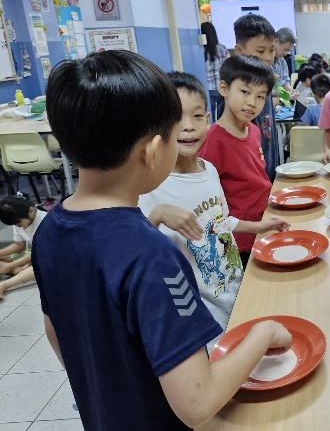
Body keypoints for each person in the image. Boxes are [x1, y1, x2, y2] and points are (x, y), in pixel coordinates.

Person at [33, 50, 291, 430]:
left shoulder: (48, 231)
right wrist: (264, 332)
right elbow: (197, 401)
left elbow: (55, 329)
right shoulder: (151, 253)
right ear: (154, 151)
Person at [139, 72, 289, 349]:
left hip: (232, 285)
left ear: (207, 120)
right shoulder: (151, 185)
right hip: (199, 306)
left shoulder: (209, 171)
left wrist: (257, 227)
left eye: (196, 116)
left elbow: (219, 220)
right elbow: (135, 249)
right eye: (176, 117)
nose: (188, 127)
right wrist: (158, 214)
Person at [199, 54, 277, 270]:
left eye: (261, 96)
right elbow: (208, 204)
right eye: (245, 92)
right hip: (237, 240)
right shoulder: (213, 141)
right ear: (224, 88)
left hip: (262, 225)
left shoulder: (253, 130)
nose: (252, 102)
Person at [232, 14, 280, 182]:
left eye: (271, 50)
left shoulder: (264, 85)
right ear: (239, 51)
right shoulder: (233, 95)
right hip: (250, 184)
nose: (268, 57)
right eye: (261, 51)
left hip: (269, 177)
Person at [0, 194, 46, 301]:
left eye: (18, 223)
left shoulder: (46, 221)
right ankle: (19, 270)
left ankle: (7, 282)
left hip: (43, 255)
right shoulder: (18, 220)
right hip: (29, 251)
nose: (17, 226)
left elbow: (37, 253)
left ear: (31, 210)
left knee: (41, 267)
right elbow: (18, 245)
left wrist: (9, 266)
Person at [201, 22, 229, 121]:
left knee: (209, 116)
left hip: (207, 89)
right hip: (220, 88)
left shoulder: (200, 50)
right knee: (221, 115)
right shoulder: (222, 48)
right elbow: (228, 67)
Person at [273, 27, 297, 92]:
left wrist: (292, 92)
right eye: (285, 49)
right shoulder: (263, 61)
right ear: (276, 42)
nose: (286, 54)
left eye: (288, 51)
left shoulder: (282, 61)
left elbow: (285, 82)